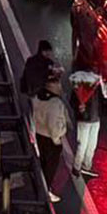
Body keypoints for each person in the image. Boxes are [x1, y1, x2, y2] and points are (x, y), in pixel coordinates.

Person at [68, 61, 107, 180]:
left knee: (91, 145)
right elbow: (73, 101)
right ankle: (76, 167)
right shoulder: (81, 85)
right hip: (84, 120)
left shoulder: (97, 86)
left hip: (95, 119)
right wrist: (80, 109)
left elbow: (103, 99)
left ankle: (87, 166)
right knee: (82, 145)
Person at [31, 73, 69, 203]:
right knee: (50, 167)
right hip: (51, 139)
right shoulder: (55, 103)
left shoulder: (38, 97)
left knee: (42, 163)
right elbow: (54, 126)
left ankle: (41, 186)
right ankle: (46, 191)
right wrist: (57, 139)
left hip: (40, 134)